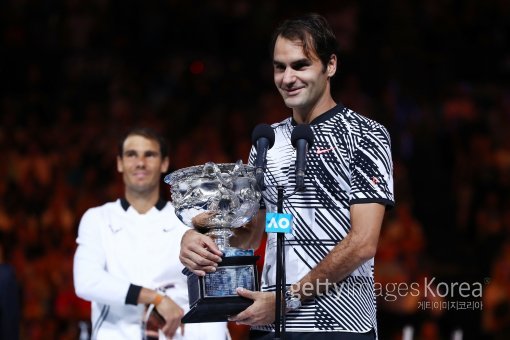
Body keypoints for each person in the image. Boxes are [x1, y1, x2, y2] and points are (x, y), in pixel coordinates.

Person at [179, 13, 395, 339]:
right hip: (270, 323)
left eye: (300, 65)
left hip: (340, 323)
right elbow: (253, 234)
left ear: (330, 66)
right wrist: (203, 240)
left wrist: (287, 299)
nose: (287, 77)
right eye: (280, 67)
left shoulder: (365, 135)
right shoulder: (267, 142)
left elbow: (363, 242)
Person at [73, 127, 228, 340]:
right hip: (118, 334)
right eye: (131, 155)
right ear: (119, 163)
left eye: (150, 154)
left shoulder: (188, 220)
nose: (140, 163)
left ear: (164, 163)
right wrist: (155, 298)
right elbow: (87, 281)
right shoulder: (98, 218)